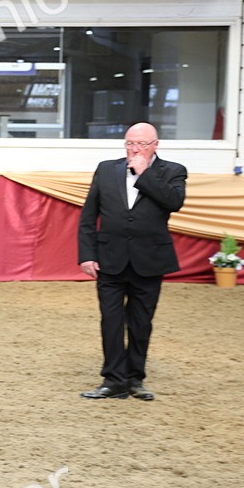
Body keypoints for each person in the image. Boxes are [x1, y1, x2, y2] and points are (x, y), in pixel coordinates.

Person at [78, 123, 187, 401]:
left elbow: (173, 202)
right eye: (129, 143)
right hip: (109, 259)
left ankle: (135, 378)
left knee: (141, 323)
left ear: (155, 145)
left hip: (149, 260)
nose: (134, 149)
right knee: (111, 321)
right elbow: (89, 216)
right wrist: (87, 254)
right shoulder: (106, 169)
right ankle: (113, 380)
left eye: (141, 144)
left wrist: (144, 173)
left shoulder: (173, 171)